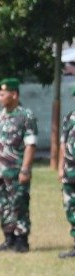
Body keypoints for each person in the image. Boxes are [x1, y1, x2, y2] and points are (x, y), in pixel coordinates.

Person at [0, 77, 37, 253]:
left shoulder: (25, 116)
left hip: (15, 170)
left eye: (2, 94)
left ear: (14, 95)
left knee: (19, 204)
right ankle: (9, 238)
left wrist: (25, 169)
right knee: (2, 205)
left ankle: (22, 240)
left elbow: (30, 144)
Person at [60, 92, 75, 259]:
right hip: (70, 172)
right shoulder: (70, 118)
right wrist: (60, 168)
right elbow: (63, 143)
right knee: (71, 208)